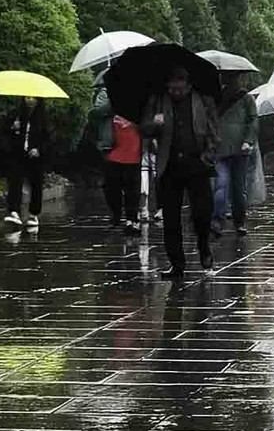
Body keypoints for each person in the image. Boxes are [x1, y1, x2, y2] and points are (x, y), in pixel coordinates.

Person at [141, 64, 220, 279]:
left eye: (180, 88)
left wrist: (209, 156)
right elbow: (144, 128)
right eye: (172, 88)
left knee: (202, 213)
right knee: (171, 218)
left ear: (188, 85)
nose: (176, 92)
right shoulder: (158, 100)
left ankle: (204, 248)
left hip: (197, 163)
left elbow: (214, 131)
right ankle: (177, 264)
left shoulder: (202, 100)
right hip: (170, 166)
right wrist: (155, 124)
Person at [211, 73, 259, 236]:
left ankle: (239, 221)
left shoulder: (246, 99)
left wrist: (248, 140)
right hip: (222, 148)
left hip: (239, 149)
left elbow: (253, 120)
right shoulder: (217, 98)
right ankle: (218, 219)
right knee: (222, 185)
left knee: (237, 187)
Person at [91, 83, 143, 231]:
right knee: (111, 186)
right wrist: (116, 99)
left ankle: (131, 219)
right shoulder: (105, 93)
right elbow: (97, 112)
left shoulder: (141, 93)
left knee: (132, 187)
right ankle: (116, 214)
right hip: (112, 147)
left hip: (134, 147)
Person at [4, 99, 48, 232]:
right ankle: (14, 211)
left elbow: (49, 137)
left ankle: (33, 214)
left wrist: (39, 149)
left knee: (36, 183)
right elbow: (5, 134)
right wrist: (13, 128)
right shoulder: (17, 114)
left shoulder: (43, 117)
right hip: (18, 154)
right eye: (27, 97)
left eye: (33, 98)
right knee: (15, 180)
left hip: (35, 156)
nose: (30, 101)